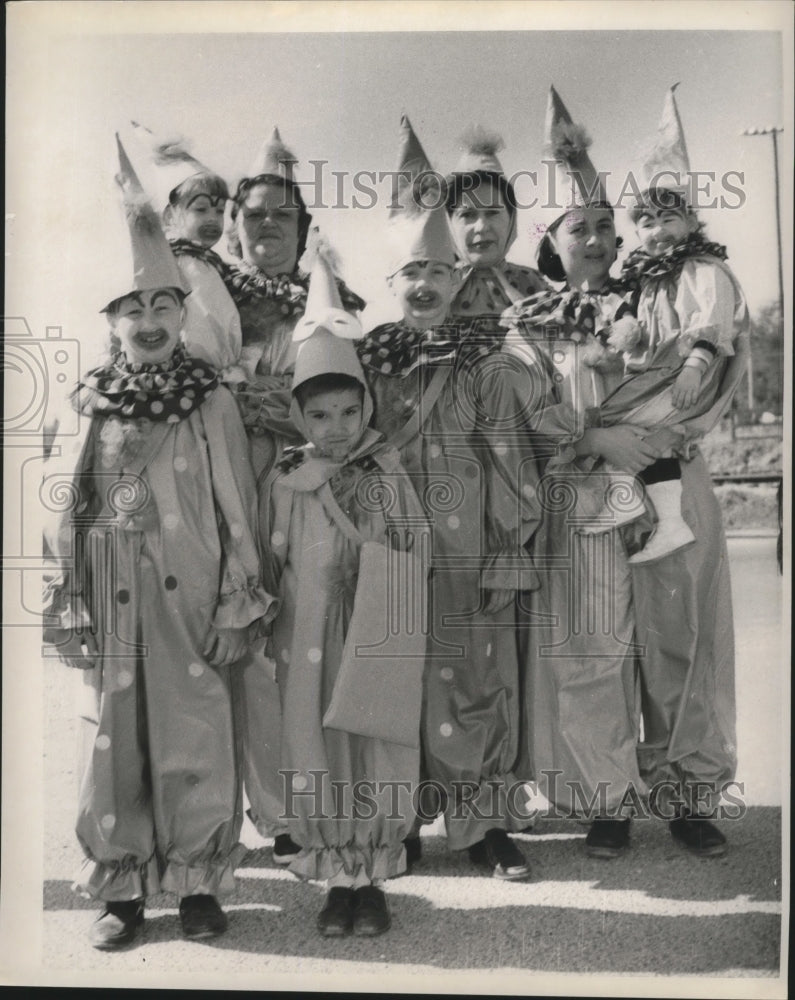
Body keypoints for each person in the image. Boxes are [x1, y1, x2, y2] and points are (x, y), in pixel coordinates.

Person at [41, 137, 276, 949]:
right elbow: (62, 506)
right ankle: (124, 890)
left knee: (197, 730)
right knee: (113, 738)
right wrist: (67, 594)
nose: (148, 323)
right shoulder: (88, 402)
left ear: (184, 313)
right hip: (113, 597)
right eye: (131, 310)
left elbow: (236, 505)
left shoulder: (208, 397)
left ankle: (200, 881)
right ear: (110, 321)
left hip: (194, 592)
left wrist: (239, 593)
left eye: (163, 308)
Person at [503, 85, 744, 858]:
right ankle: (602, 797)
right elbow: (524, 414)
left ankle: (686, 793)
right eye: (584, 227)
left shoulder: (667, 294)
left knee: (681, 639)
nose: (603, 239)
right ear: (552, 241)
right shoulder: (531, 324)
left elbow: (711, 374)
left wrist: (663, 430)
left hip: (672, 478)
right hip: (580, 499)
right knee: (589, 644)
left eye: (611, 224)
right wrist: (600, 440)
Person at [358, 145, 542, 881]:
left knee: (478, 679)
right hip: (395, 550)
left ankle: (483, 823)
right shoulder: (368, 359)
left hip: (472, 549)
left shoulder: (484, 358)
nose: (426, 282)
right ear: (391, 282)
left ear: (454, 279)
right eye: (412, 271)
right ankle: (399, 819)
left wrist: (510, 544)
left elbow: (511, 458)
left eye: (438, 270)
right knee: (395, 680)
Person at [261, 240, 426, 936]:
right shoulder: (286, 479)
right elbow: (272, 558)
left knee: (376, 743)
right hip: (310, 636)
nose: (336, 429)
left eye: (349, 413)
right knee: (314, 744)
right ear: (300, 417)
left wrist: (384, 570)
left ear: (366, 410)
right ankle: (335, 877)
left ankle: (375, 873)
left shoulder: (387, 470)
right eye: (320, 415)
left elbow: (417, 545)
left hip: (375, 631)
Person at [224, 128, 365, 867]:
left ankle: (325, 802)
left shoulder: (332, 304)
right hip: (227, 492)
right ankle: (271, 810)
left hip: (305, 498)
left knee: (305, 645)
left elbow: (358, 404)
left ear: (304, 229)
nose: (269, 226)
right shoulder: (207, 307)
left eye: (284, 215)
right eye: (255, 216)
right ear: (235, 225)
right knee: (245, 651)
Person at [599, 84, 750, 564]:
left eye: (669, 218)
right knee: (627, 431)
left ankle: (635, 506)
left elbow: (709, 319)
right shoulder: (646, 277)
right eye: (646, 222)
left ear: (690, 220)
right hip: (656, 373)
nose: (658, 231)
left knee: (614, 420)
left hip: (684, 374)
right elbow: (632, 320)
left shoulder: (701, 268)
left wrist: (694, 365)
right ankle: (663, 518)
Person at [129, 121, 245, 384]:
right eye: (201, 209)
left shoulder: (210, 264)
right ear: (171, 215)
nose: (213, 219)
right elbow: (199, 323)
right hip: (192, 377)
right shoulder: (178, 262)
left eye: (218, 210)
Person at [445, 126, 547, 320]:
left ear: (511, 220)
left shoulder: (534, 283)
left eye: (492, 213)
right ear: (449, 224)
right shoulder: (438, 287)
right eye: (467, 214)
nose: (481, 227)